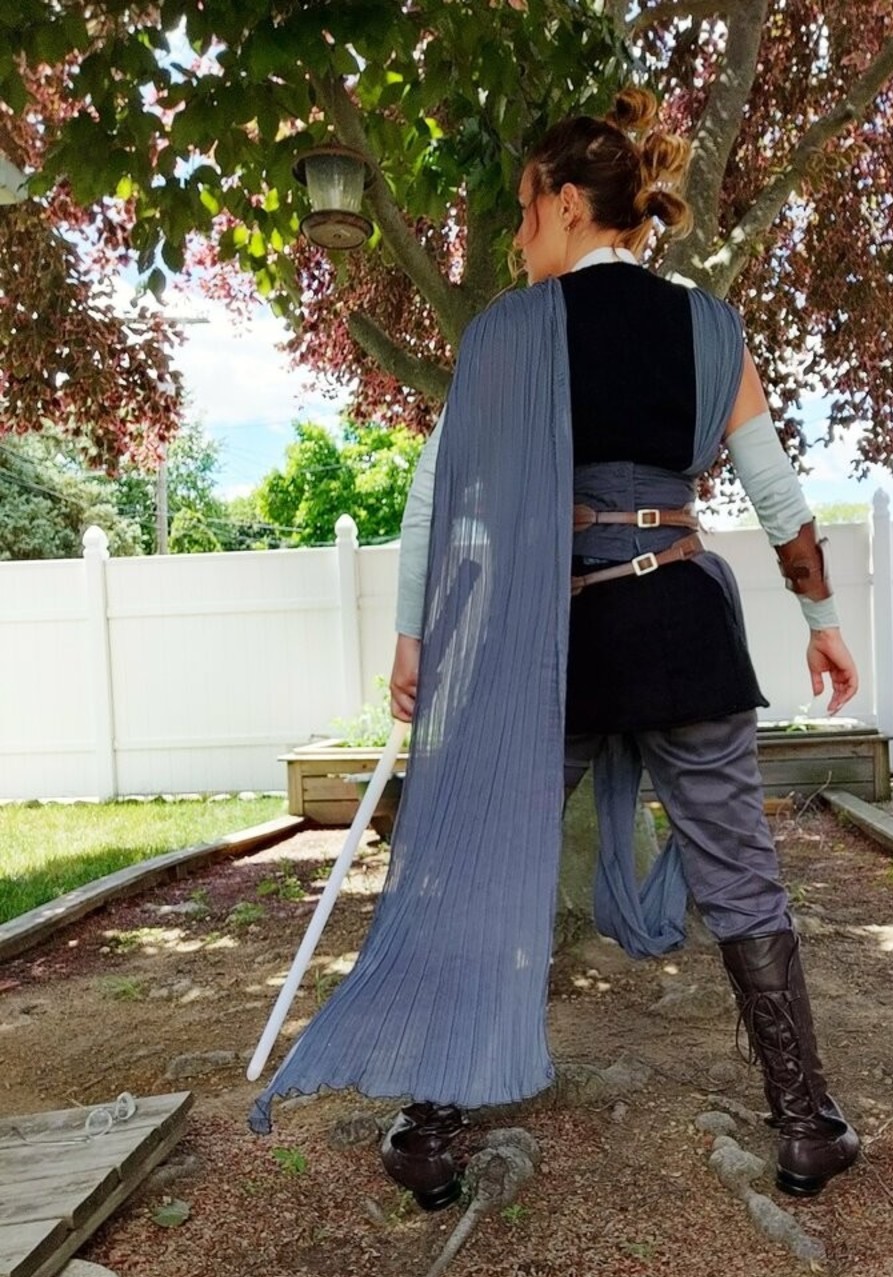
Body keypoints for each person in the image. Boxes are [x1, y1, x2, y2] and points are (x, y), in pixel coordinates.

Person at [251, 90, 859, 1207]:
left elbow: (436, 499)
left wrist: (414, 639)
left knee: (495, 861)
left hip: (552, 640)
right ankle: (808, 1122)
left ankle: (432, 1127)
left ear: (571, 205)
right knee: (744, 873)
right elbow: (779, 494)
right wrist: (824, 626)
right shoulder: (710, 329)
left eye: (526, 212)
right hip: (683, 628)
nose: (517, 237)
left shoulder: (509, 335)